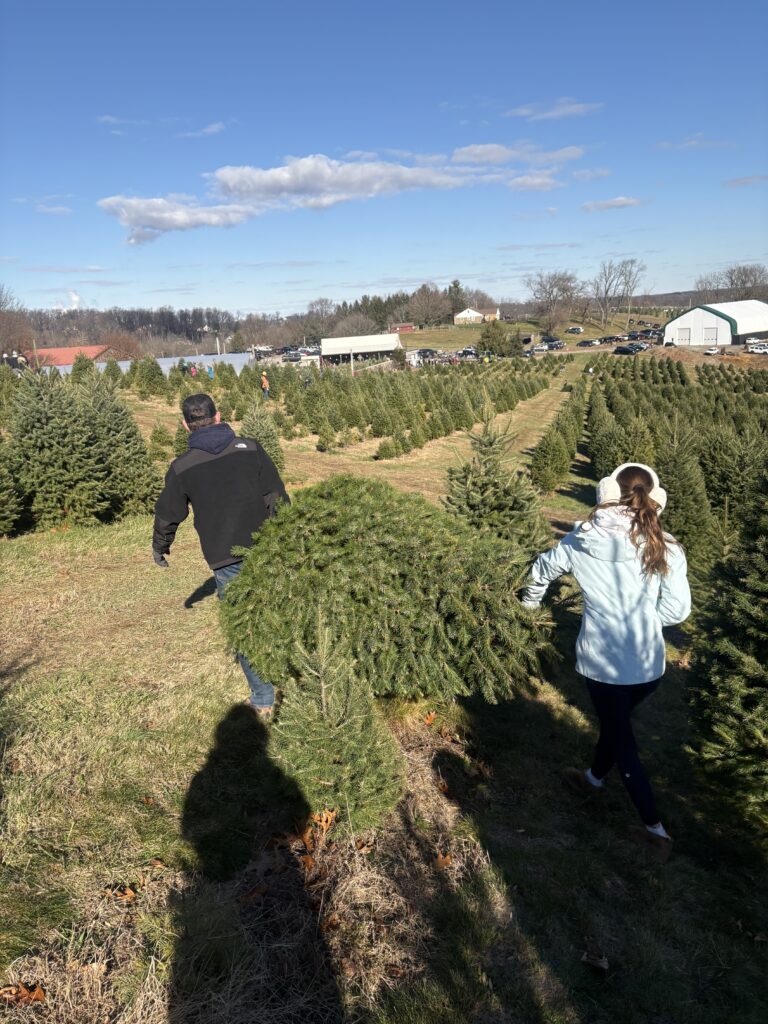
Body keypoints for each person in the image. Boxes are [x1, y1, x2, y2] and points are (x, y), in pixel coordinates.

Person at [522, 463, 691, 859]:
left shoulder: (581, 540)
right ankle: (593, 780)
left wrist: (528, 606)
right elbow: (678, 610)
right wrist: (644, 621)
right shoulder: (665, 546)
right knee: (618, 727)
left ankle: (656, 832)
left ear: (607, 492)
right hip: (648, 665)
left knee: (622, 740)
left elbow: (541, 569)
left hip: (603, 664)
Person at [152, 393, 289, 718]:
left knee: (244, 625)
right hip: (266, 548)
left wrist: (160, 545)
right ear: (218, 416)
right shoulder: (250, 448)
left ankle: (263, 699)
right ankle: (295, 672)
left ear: (185, 424)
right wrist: (286, 537)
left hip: (225, 558)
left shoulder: (182, 466)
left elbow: (168, 512)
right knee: (279, 611)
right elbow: (276, 497)